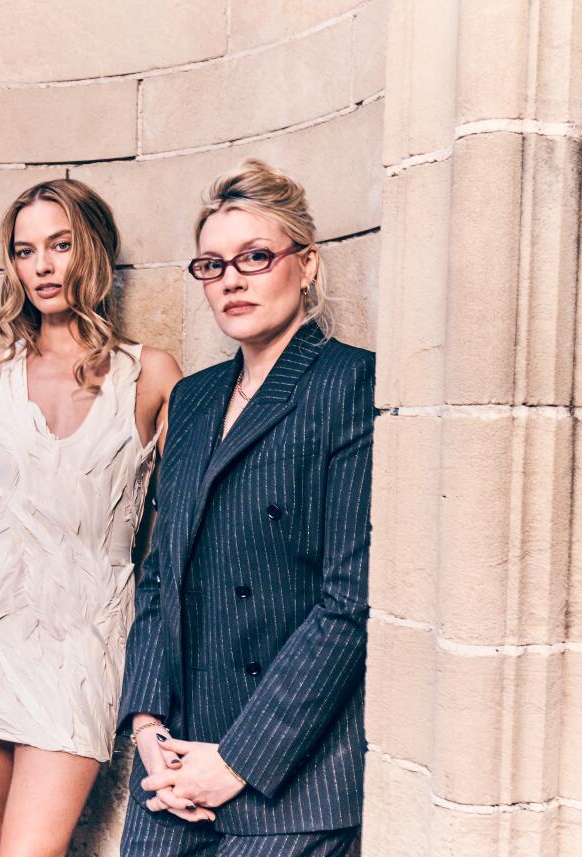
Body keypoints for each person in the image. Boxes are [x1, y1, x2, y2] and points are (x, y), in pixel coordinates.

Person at [0, 178, 183, 857]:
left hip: (84, 638)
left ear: (93, 252)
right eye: (26, 252)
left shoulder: (151, 375)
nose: (43, 267)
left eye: (60, 245)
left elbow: (174, 531)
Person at [119, 159, 375, 857]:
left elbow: (350, 603)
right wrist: (147, 727)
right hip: (171, 775)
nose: (232, 279)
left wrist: (234, 761)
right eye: (212, 264)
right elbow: (159, 573)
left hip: (289, 780)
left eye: (255, 257)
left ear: (307, 264)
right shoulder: (194, 397)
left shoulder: (352, 385)